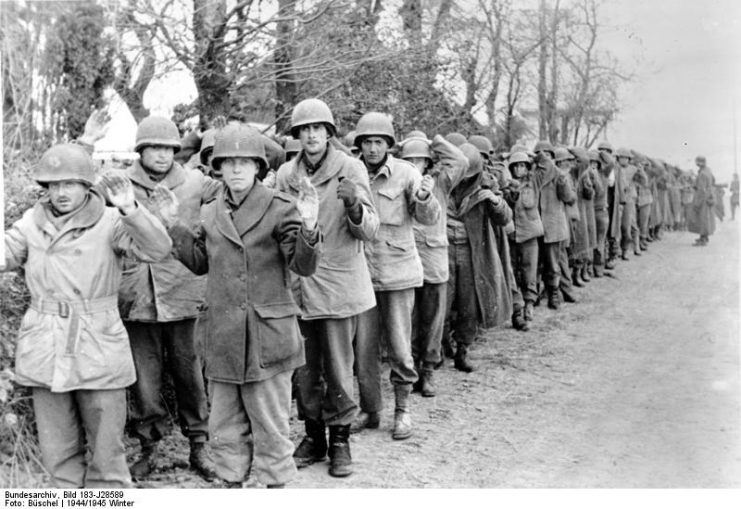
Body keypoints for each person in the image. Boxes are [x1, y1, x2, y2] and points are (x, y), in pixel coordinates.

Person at [155, 124, 322, 488]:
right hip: (223, 337)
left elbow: (303, 265)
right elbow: (200, 261)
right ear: (218, 168)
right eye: (228, 163)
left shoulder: (280, 208)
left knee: (271, 426)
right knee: (225, 428)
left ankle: (274, 486)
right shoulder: (211, 211)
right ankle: (232, 486)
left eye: (244, 162)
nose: (235, 170)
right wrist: (172, 223)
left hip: (267, 337)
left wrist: (309, 225)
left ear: (258, 167)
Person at [1, 144, 172, 488]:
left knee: (107, 459)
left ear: (87, 186)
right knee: (58, 457)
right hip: (46, 344)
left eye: (69, 184)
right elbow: (6, 252)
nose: (60, 193)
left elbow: (158, 248)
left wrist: (131, 209)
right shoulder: (31, 224)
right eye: (53, 185)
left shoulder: (111, 221)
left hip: (97, 342)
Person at [276, 98, 379, 478]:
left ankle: (340, 440)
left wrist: (354, 206)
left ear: (329, 133)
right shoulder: (287, 173)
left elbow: (371, 229)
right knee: (304, 370)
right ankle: (313, 435)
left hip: (339, 285)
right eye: (304, 130)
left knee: (338, 367)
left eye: (318, 128)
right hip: (300, 286)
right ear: (298, 135)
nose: (312, 135)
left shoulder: (350, 168)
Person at [120, 115, 221, 481]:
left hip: (183, 292)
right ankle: (149, 447)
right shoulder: (121, 184)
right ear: (141, 150)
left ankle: (199, 444)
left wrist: (219, 140)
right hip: (137, 295)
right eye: (154, 147)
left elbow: (235, 192)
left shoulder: (194, 181)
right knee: (144, 377)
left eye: (168, 148)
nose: (162, 155)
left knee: (190, 372)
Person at [351, 112, 440, 440]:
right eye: (367, 142)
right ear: (359, 145)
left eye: (379, 142)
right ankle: (370, 410)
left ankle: (402, 410)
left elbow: (428, 217)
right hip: (361, 277)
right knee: (364, 350)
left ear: (389, 145)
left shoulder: (406, 173)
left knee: (401, 348)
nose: (372, 148)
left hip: (399, 274)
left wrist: (424, 198)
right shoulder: (352, 171)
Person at [401, 134, 466, 396]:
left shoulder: (440, 181)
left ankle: (427, 371)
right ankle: (411, 370)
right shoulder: (398, 180)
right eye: (409, 159)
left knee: (433, 320)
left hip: (433, 263)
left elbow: (459, 160)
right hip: (405, 262)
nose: (415, 164)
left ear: (428, 162)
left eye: (420, 159)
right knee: (409, 321)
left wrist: (432, 140)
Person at [444, 143, 513, 371]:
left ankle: (463, 349)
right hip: (442, 249)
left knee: (469, 304)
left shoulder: (487, 183)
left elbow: (504, 218)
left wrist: (495, 201)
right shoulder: (443, 180)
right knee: (441, 303)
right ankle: (441, 347)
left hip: (472, 251)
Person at [532, 140, 575, 310]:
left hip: (552, 226)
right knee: (535, 263)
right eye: (540, 155)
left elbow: (568, 198)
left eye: (548, 155)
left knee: (552, 263)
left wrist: (563, 179)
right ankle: (535, 293)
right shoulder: (532, 174)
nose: (545, 159)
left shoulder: (558, 174)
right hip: (535, 226)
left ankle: (553, 294)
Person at [504, 151, 543, 327]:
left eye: (523, 165)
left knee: (530, 271)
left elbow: (547, 166)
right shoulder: (506, 183)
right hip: (511, 235)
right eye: (516, 165)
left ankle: (529, 304)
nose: (519, 169)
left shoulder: (534, 181)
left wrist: (535, 155)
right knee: (512, 271)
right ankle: (516, 310)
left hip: (530, 234)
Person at [688, 155, 716, 246]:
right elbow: (712, 182)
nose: (696, 164)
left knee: (702, 219)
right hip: (708, 197)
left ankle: (703, 239)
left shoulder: (703, 174)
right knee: (706, 219)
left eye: (697, 162)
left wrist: (697, 203)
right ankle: (704, 237)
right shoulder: (708, 171)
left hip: (703, 199)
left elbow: (701, 190)